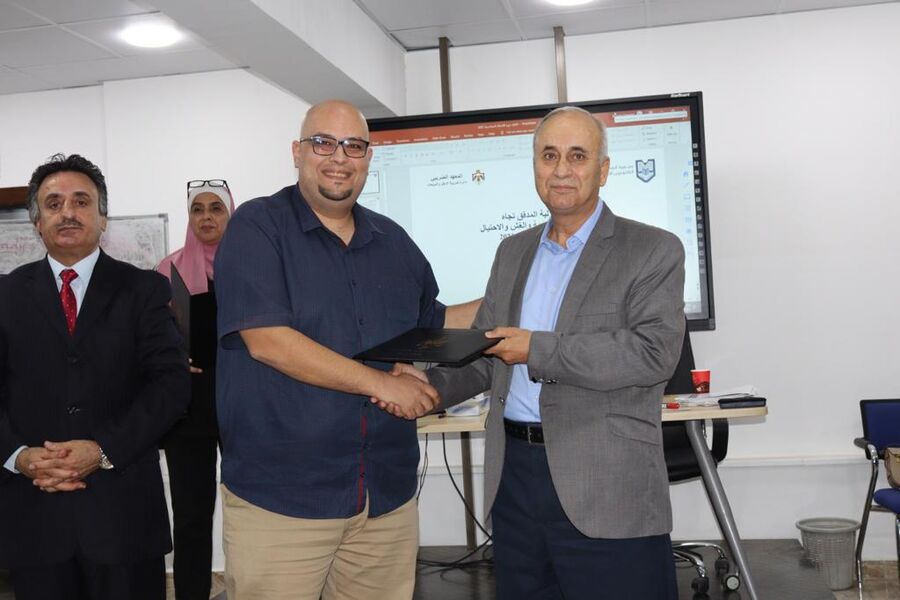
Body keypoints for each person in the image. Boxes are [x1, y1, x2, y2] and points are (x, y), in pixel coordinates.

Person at [386, 106, 686, 599]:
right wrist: (429, 387)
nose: (561, 169)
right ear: (534, 167)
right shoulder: (513, 251)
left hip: (605, 484)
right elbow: (485, 351)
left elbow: (652, 354)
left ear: (603, 170)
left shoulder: (651, 249)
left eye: (577, 156)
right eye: (549, 156)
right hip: (514, 480)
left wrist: (536, 348)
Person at [214, 99, 477, 600]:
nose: (339, 157)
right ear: (297, 152)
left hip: (384, 499)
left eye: (354, 146)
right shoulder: (257, 226)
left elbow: (433, 325)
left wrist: (513, 293)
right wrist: (382, 385)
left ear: (368, 158)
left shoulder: (393, 242)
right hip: (283, 502)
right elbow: (269, 342)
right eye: (323, 143)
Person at [0, 153, 190, 600]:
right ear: (37, 222)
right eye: (53, 204)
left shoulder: (144, 289)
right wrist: (18, 456)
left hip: (123, 520)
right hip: (35, 519)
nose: (67, 212)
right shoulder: (5, 295)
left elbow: (171, 386)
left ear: (103, 218)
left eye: (81, 201)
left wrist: (103, 449)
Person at [156, 179, 234, 600]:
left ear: (230, 213)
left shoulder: (250, 266)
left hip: (243, 402)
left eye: (215, 208)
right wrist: (170, 359)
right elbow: (150, 335)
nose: (206, 217)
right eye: (197, 209)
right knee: (190, 514)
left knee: (251, 511)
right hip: (188, 407)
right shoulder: (168, 271)